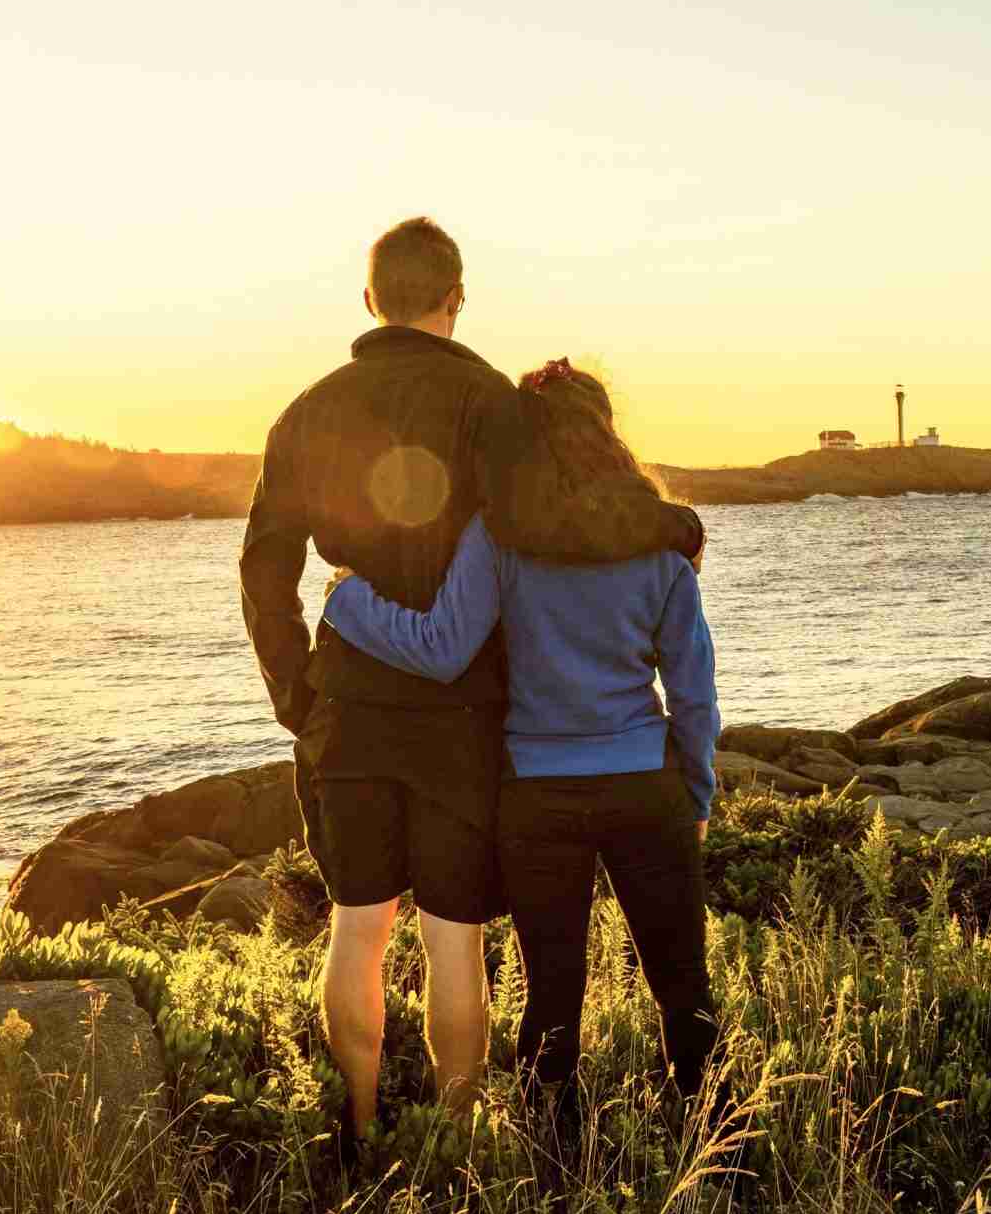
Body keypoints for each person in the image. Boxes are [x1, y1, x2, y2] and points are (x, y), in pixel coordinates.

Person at [239, 219, 704, 1147]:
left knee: (356, 927)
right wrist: (660, 527)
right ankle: (459, 1136)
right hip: (462, 722)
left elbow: (264, 568)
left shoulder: (304, 411)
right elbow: (555, 523)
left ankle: (363, 1127)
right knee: (456, 936)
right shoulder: (491, 402)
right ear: (456, 296)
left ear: (371, 298)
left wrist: (298, 695)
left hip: (355, 709)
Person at [318, 359, 720, 1131]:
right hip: (646, 789)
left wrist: (348, 601)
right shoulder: (662, 543)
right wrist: (695, 795)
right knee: (684, 993)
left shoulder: (499, 536)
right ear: (608, 433)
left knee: (554, 1006)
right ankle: (724, 1167)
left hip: (537, 800)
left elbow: (439, 646)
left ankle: (553, 1178)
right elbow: (694, 696)